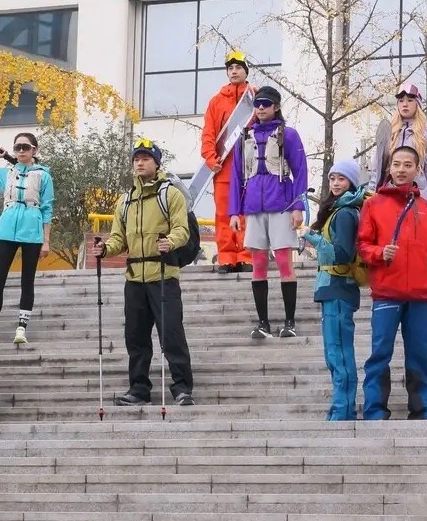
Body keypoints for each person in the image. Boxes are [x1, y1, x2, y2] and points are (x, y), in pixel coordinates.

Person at [92, 138, 194, 407]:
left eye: (146, 158)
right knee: (135, 337)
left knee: (171, 334)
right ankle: (139, 389)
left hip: (163, 275)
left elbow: (182, 230)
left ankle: (182, 387)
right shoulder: (125, 201)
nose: (140, 163)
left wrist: (170, 241)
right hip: (134, 278)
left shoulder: (170, 194)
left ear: (157, 163)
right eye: (136, 159)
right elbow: (119, 239)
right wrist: (105, 249)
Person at [358, 145, 427, 421]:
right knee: (379, 354)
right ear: (389, 168)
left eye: (408, 165)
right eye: (396, 164)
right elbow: (362, 245)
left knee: (419, 356)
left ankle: (421, 412)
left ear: (417, 170)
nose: (401, 170)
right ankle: (374, 411)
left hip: (419, 297)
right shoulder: (373, 205)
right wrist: (379, 253)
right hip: (386, 293)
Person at [229, 85, 308, 339]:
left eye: (266, 104)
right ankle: (263, 323)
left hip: (281, 205)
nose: (261, 108)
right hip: (254, 207)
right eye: (257, 104)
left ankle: (290, 321)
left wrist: (298, 206)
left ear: (276, 106)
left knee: (284, 261)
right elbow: (236, 175)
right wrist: (234, 211)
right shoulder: (245, 137)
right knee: (259, 263)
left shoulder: (289, 135)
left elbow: (300, 171)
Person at [0, 132, 54, 345]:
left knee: (27, 280)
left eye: (25, 147)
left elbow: (47, 208)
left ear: (34, 150)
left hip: (32, 230)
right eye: (17, 147)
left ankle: (21, 328)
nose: (21, 151)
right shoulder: (6, 173)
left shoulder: (43, 175)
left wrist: (46, 240)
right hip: (6, 229)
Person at [302, 160, 365, 421]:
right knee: (333, 353)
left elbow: (341, 254)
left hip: (339, 288)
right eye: (332, 178)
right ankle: (340, 407)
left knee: (338, 353)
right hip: (331, 289)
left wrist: (311, 237)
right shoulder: (338, 210)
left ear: (351, 182)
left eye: (341, 178)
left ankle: (343, 410)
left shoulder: (346, 213)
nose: (336, 183)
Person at [201, 50, 253, 274]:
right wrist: (210, 158)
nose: (234, 71)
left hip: (250, 169)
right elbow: (208, 133)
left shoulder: (254, 98)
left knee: (247, 213)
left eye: (238, 67)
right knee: (223, 214)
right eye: (230, 68)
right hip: (224, 169)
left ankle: (247, 255)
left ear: (246, 71)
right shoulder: (216, 101)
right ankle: (227, 257)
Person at [369, 84, 427, 205]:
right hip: (390, 194)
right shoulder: (389, 132)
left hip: (417, 196)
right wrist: (371, 194)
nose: (405, 104)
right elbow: (377, 169)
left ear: (417, 104)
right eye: (401, 101)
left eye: (410, 100)